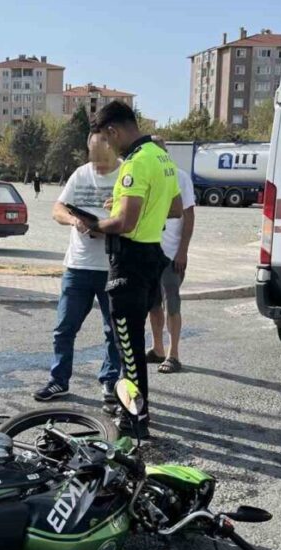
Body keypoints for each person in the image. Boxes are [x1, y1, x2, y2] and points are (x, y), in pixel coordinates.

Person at [89, 101, 183, 439]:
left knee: (129, 352)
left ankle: (134, 423)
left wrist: (97, 224)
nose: (110, 148)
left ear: (113, 130)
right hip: (150, 258)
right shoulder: (161, 158)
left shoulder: (136, 163)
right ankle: (136, 417)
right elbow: (174, 208)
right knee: (132, 345)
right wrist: (125, 206)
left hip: (128, 263)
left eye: (107, 140)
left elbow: (125, 223)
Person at [33, 132, 122, 404]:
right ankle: (59, 381)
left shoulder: (126, 173)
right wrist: (73, 221)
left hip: (113, 266)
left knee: (114, 331)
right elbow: (57, 208)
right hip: (78, 266)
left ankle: (109, 381)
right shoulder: (81, 174)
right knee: (64, 327)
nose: (97, 163)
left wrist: (108, 223)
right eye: (92, 155)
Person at [146, 136, 196, 374]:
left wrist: (182, 251)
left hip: (171, 254)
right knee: (153, 304)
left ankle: (173, 354)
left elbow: (189, 216)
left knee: (172, 304)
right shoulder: (146, 176)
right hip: (149, 252)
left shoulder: (180, 177)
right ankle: (157, 349)